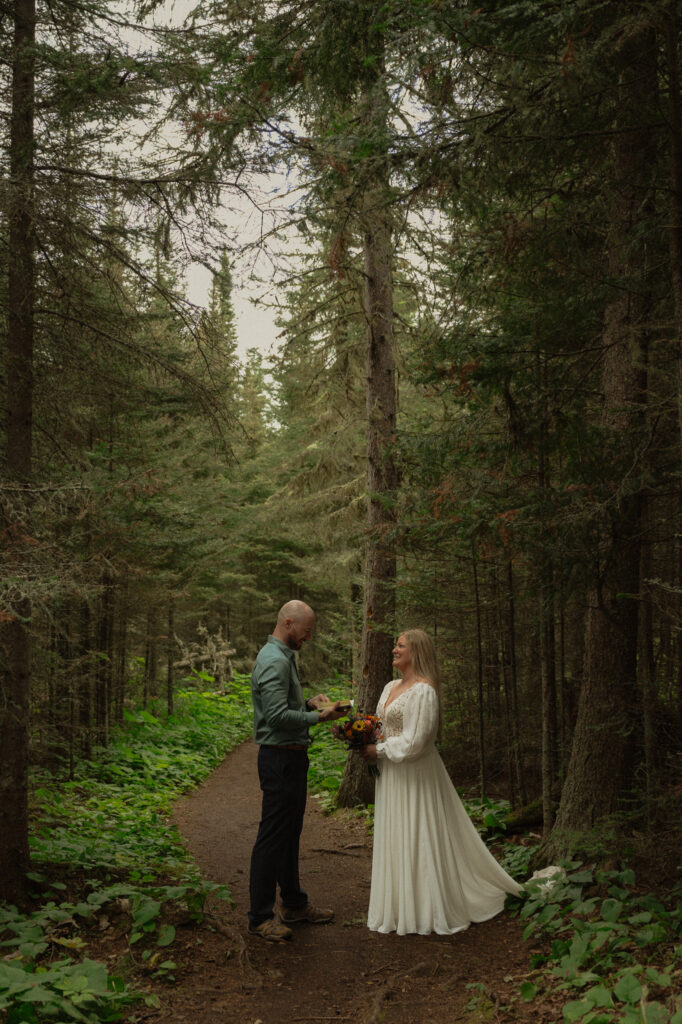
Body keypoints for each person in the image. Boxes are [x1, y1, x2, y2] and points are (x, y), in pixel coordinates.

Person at [361, 628, 522, 935]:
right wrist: (361, 737)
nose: (394, 650)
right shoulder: (390, 686)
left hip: (416, 775)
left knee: (416, 831)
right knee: (396, 832)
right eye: (396, 645)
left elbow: (417, 742)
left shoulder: (424, 691)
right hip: (391, 774)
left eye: (400, 646)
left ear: (416, 652)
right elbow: (381, 726)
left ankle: (424, 910)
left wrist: (378, 750)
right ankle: (397, 908)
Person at [248, 600, 346, 943]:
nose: (308, 637)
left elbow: (280, 708)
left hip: (289, 758)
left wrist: (307, 705)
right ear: (288, 623)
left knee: (289, 835)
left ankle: (293, 904)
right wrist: (319, 716)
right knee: (273, 836)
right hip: (280, 760)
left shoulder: (282, 656)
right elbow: (275, 717)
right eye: (306, 631)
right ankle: (260, 917)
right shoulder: (275, 660)